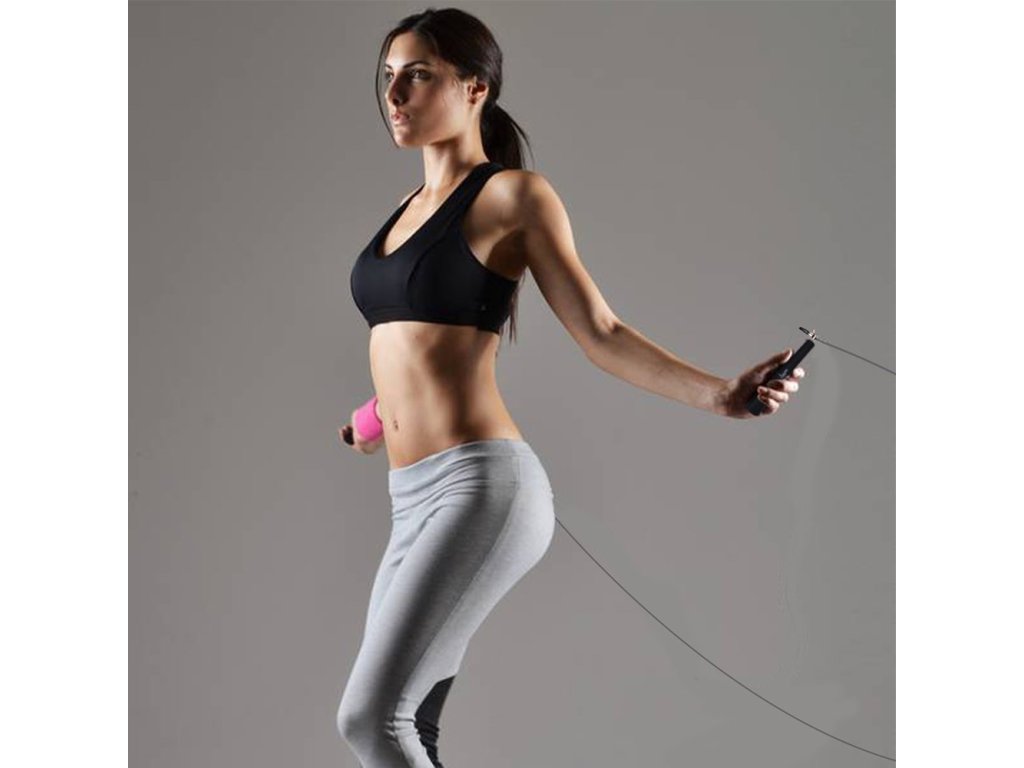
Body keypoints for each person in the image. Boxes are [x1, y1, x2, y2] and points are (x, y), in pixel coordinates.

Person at [336, 8, 806, 767]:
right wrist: (371, 420)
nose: (395, 95)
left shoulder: (513, 198)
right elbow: (415, 346)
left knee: (371, 720)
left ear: (475, 87)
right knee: (411, 723)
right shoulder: (401, 213)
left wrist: (721, 393)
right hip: (408, 500)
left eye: (418, 75)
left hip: (478, 488)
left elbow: (601, 332)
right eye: (388, 77)